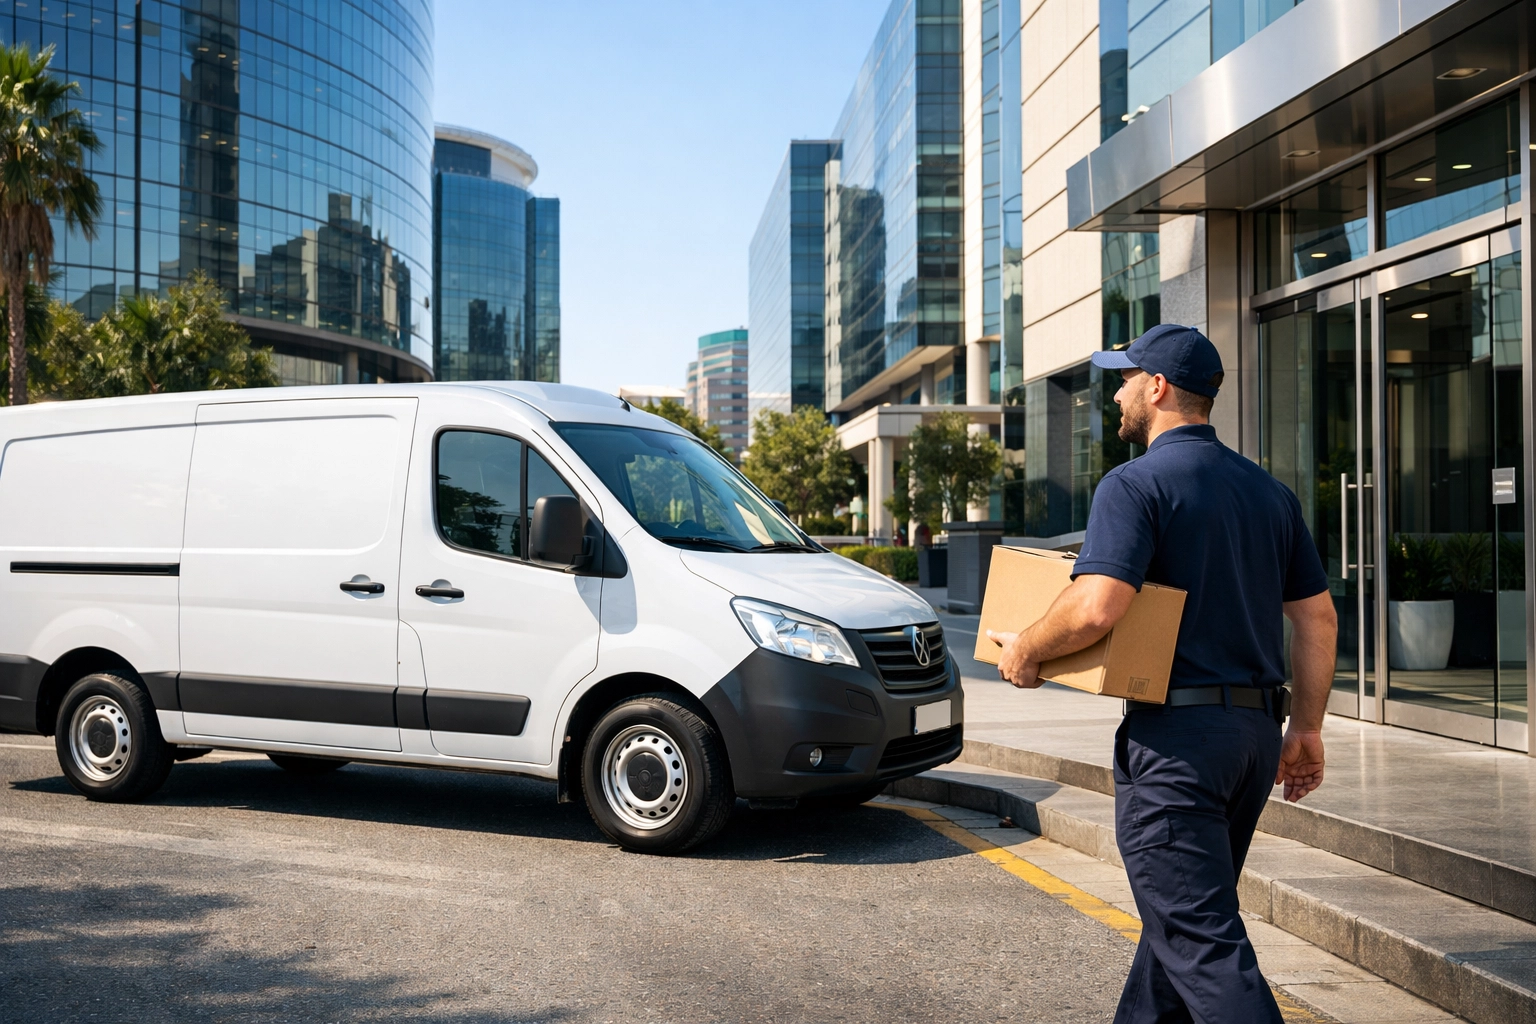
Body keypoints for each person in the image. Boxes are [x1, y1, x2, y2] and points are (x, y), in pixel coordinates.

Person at [987, 324, 1337, 1024]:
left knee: (1200, 941)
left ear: (1157, 387)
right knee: (1179, 921)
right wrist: (1307, 729)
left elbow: (1097, 606)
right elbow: (1318, 620)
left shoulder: (1135, 483)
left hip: (1178, 743)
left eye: (1124, 378)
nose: (1114, 394)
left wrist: (1026, 648)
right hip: (1251, 736)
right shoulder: (1270, 495)